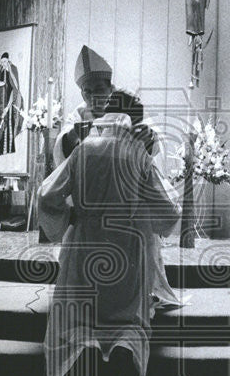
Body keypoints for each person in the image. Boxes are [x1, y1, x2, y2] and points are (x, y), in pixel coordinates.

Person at [38, 97, 181, 376]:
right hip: (127, 246)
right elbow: (169, 209)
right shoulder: (138, 154)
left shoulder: (83, 150)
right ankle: (120, 362)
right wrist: (142, 213)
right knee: (125, 314)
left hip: (85, 242)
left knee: (81, 311)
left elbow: (47, 194)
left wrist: (69, 216)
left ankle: (80, 364)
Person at [53, 47, 182, 312]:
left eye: (98, 89)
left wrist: (149, 139)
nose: (92, 96)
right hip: (93, 204)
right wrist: (72, 138)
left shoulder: (126, 107)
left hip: (125, 205)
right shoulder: (78, 114)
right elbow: (63, 148)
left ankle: (143, 294)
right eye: (86, 91)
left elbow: (152, 145)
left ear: (110, 87)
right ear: (81, 93)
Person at [0, 51, 23, 155]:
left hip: (10, 103)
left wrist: (8, 106)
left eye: (5, 61)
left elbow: (15, 88)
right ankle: (0, 148)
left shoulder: (13, 70)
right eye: (1, 62)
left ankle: (8, 148)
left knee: (8, 125)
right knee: (0, 126)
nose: (3, 64)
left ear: (8, 60)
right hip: (0, 103)